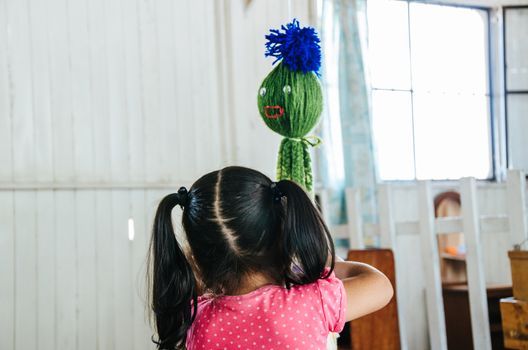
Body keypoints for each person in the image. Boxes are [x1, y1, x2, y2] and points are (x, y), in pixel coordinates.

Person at [147, 166, 393, 349]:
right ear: (283, 238)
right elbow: (381, 286)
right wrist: (328, 263)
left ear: (198, 258)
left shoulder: (193, 320)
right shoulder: (312, 302)